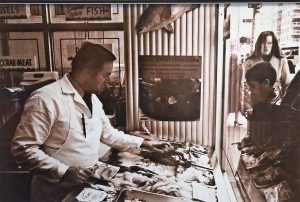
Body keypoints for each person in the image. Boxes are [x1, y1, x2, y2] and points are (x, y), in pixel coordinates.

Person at [10, 42, 172, 202]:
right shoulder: (46, 99)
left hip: (86, 186)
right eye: (106, 74)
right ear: (88, 72)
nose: (108, 80)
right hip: (54, 192)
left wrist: (143, 143)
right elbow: (23, 149)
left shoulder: (93, 99)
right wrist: (64, 171)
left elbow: (108, 134)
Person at [241, 31, 291, 116]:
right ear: (259, 44)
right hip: (255, 106)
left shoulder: (282, 61)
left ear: (273, 45)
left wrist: (285, 105)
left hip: (275, 105)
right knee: (257, 128)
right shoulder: (249, 61)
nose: (266, 46)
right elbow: (243, 85)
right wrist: (247, 105)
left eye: (269, 43)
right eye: (263, 43)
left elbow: (286, 85)